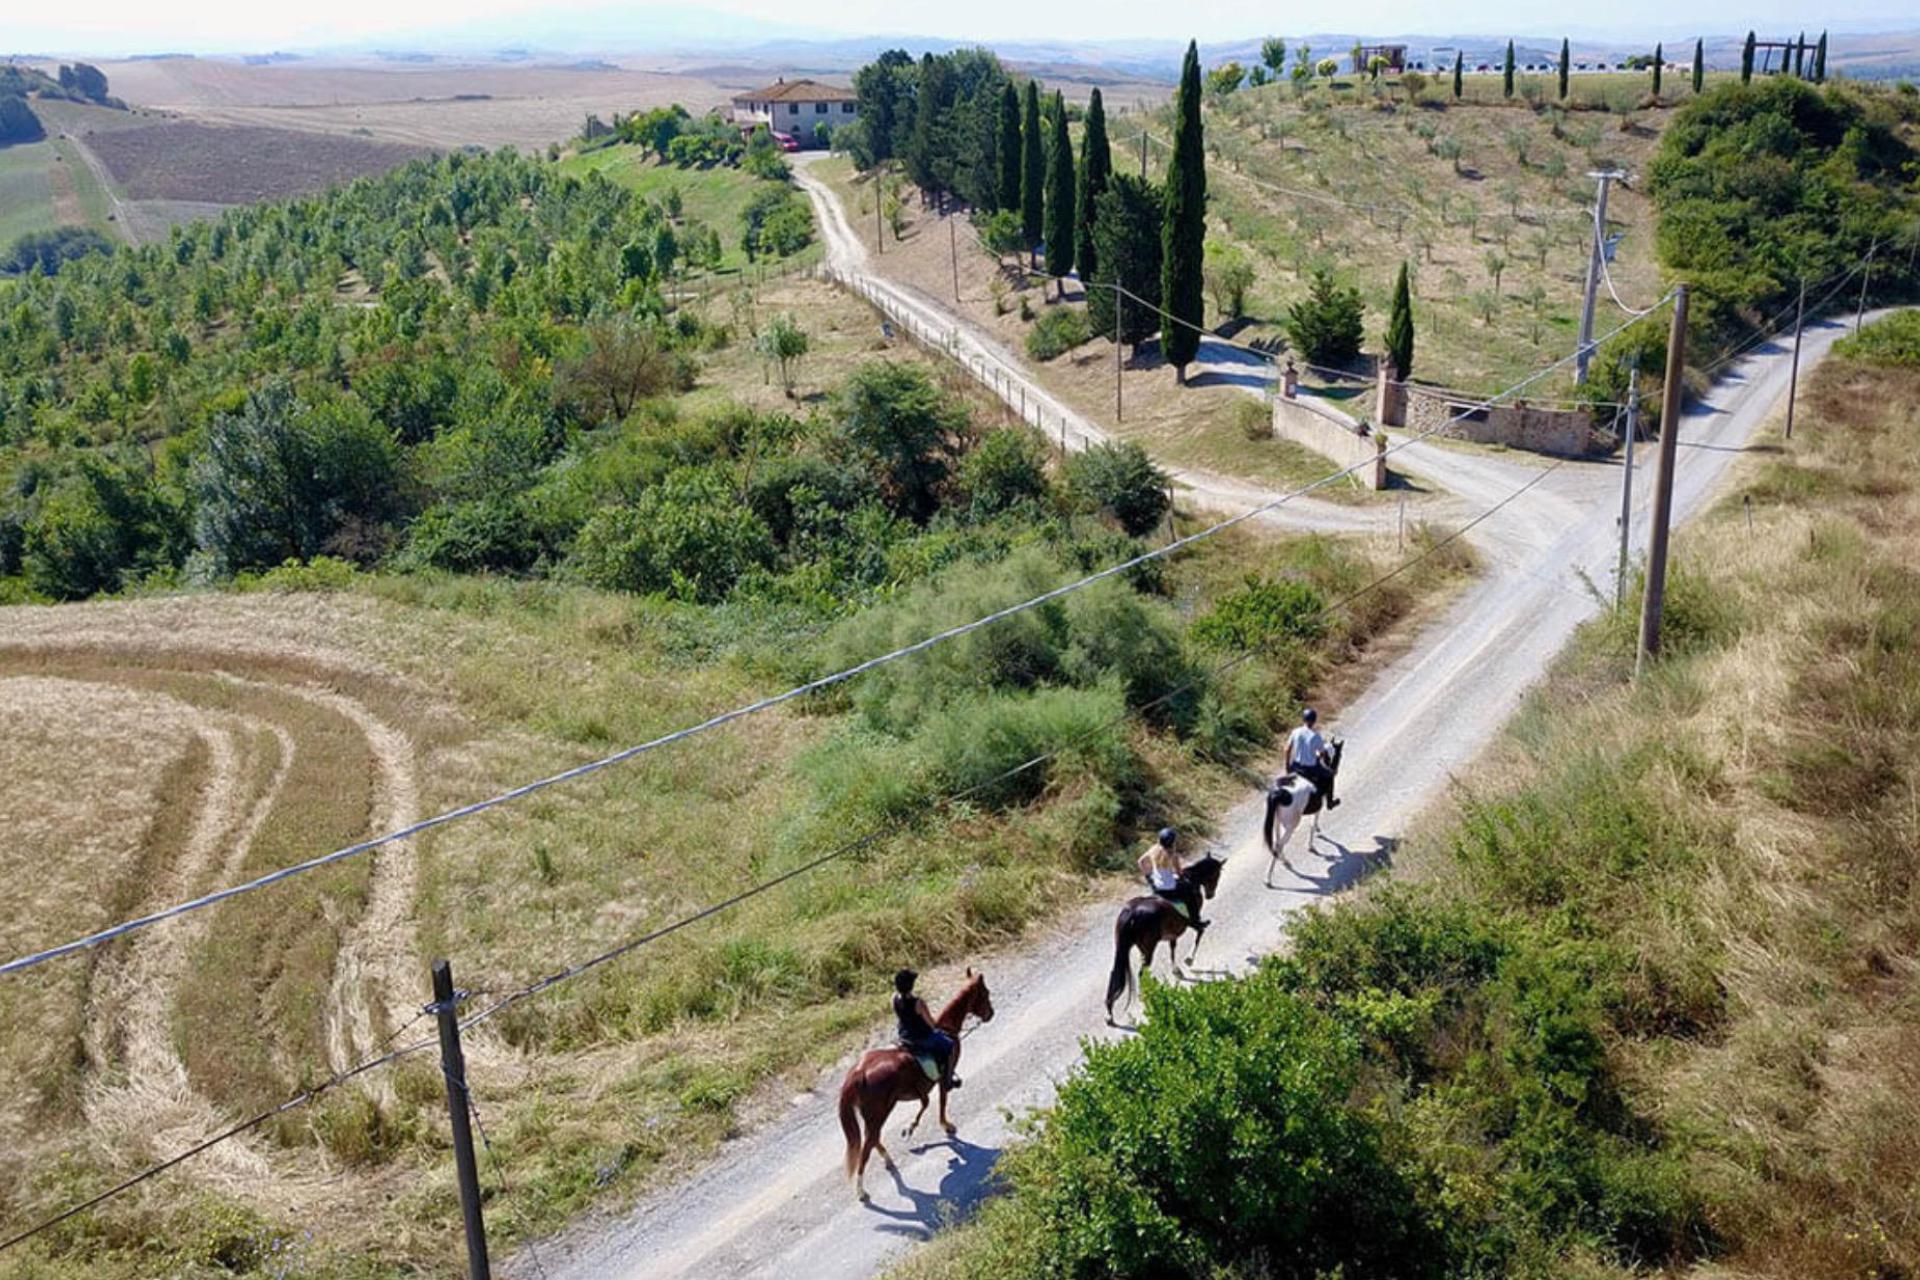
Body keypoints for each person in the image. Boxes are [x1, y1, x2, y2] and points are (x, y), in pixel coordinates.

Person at [893, 969, 960, 1089]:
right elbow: (931, 1024)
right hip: (921, 1038)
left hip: (904, 1036)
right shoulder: (918, 1003)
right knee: (950, 1045)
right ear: (911, 986)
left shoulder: (894, 999)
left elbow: (899, 1017)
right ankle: (948, 1079)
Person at [1137, 827, 1208, 932]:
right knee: (1190, 893)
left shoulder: (1153, 849)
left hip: (1156, 887)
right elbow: (1179, 872)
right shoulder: (1172, 854)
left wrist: (1148, 877)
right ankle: (1195, 921)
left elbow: (1140, 861)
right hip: (1169, 888)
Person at [1286, 708, 1339, 810]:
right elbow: (1322, 753)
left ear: (1303, 719)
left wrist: (1287, 766)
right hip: (1310, 769)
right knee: (1330, 775)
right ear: (1314, 721)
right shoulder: (1316, 736)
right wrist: (1317, 756)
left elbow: (1287, 749)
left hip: (1295, 766)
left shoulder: (1295, 732)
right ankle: (1330, 802)